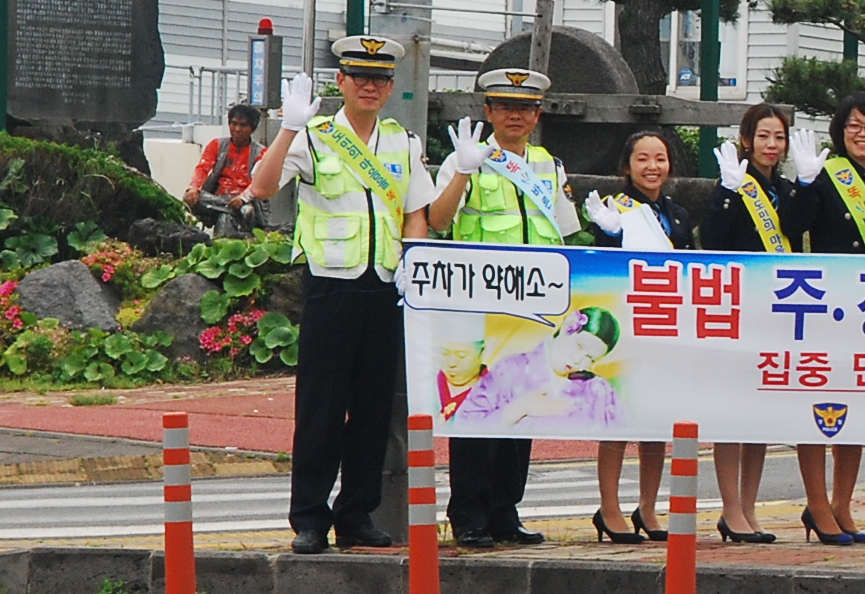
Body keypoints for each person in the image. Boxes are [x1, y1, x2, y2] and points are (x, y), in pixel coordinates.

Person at [247, 36, 434, 555]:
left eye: (380, 78)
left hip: (385, 285)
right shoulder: (314, 135)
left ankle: (357, 515)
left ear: (392, 87)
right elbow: (261, 187)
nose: (370, 86)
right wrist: (287, 127)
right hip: (331, 282)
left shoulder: (402, 142)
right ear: (342, 83)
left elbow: (416, 213)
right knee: (321, 409)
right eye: (360, 77)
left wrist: (414, 264)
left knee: (374, 410)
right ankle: (309, 517)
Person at [412, 66, 581, 550]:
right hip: (476, 308)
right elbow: (439, 221)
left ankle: (506, 510)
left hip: (531, 310)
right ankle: (468, 514)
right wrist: (463, 169)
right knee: (475, 409)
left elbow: (565, 234)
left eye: (524, 107)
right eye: (504, 106)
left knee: (520, 410)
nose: (514, 115)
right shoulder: (469, 157)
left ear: (537, 115)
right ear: (487, 111)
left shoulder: (548, 164)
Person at [791, 93, 865, 546]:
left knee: (854, 407)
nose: (863, 133)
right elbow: (790, 224)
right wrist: (802, 183)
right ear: (840, 132)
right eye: (854, 125)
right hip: (827, 304)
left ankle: (842, 503)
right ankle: (816, 504)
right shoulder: (824, 176)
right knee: (819, 404)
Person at [700, 102, 807, 543]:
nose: (771, 145)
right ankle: (729, 508)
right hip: (738, 310)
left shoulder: (785, 188)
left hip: (777, 311)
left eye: (778, 137)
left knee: (760, 416)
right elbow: (713, 240)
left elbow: (801, 231)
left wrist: (810, 183)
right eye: (763, 136)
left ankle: (748, 506)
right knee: (732, 413)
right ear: (746, 140)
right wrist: (727, 192)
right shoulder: (732, 185)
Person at [581, 129, 687, 543]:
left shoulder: (677, 214)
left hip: (665, 324)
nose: (652, 167)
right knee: (618, 416)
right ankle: (608, 507)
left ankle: (648, 506)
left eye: (659, 158)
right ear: (627, 166)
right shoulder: (615, 210)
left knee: (656, 419)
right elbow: (602, 268)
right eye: (643, 159)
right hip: (625, 323)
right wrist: (608, 233)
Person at [185, 103, 262, 207]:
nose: (237, 129)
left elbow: (258, 183)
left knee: (246, 211)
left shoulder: (261, 153)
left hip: (245, 201)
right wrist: (194, 188)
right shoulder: (216, 145)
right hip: (217, 197)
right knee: (189, 197)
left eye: (243, 125)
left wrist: (242, 198)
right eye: (234, 123)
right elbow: (202, 169)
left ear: (253, 129)